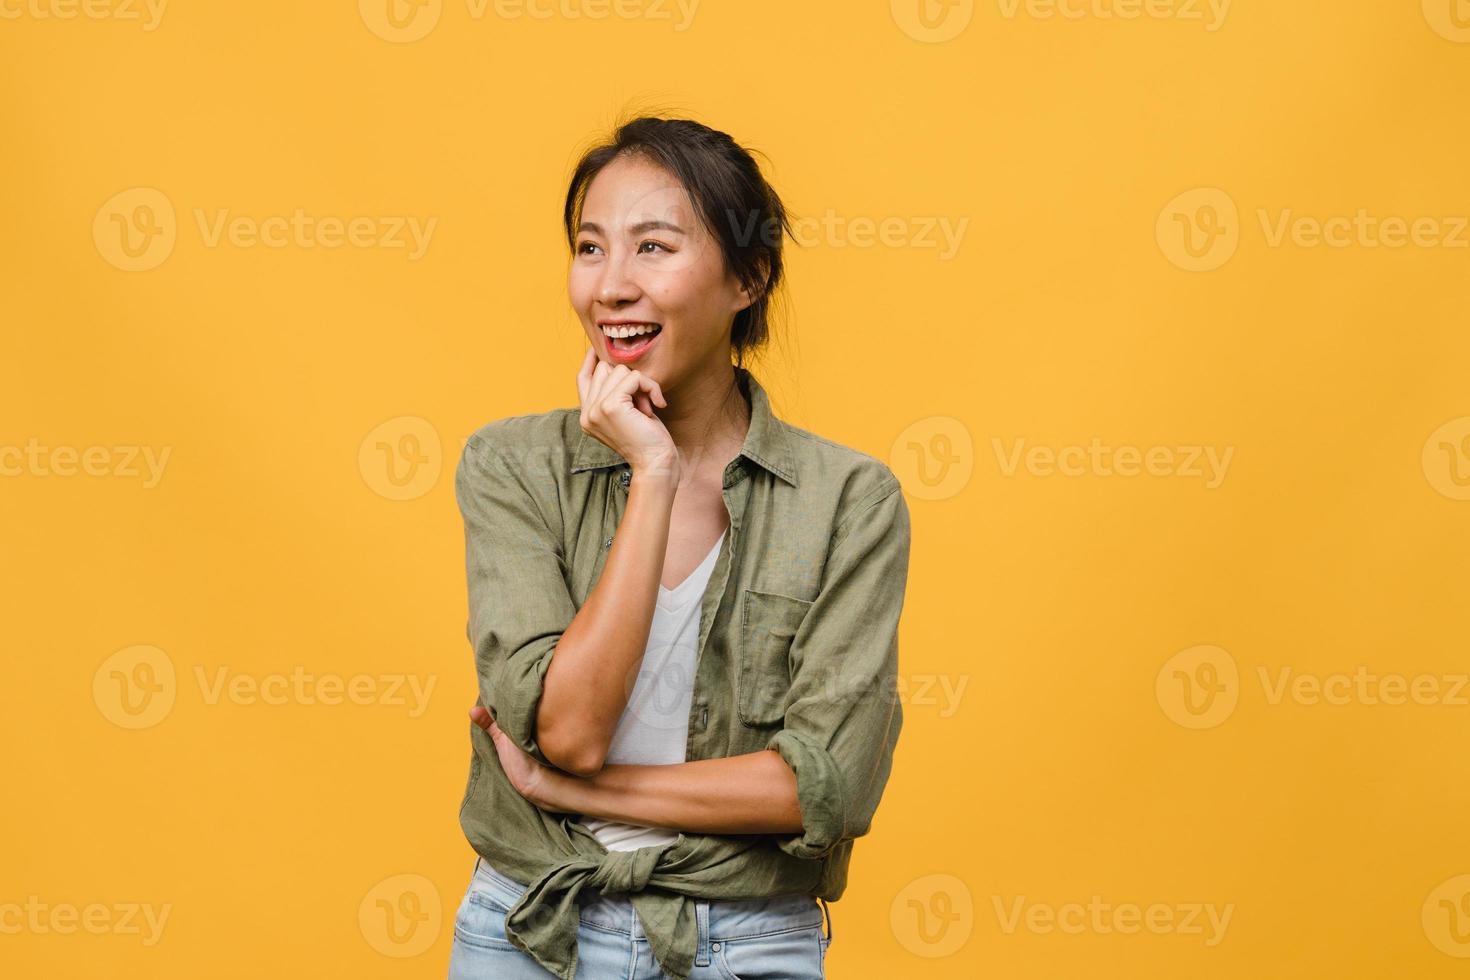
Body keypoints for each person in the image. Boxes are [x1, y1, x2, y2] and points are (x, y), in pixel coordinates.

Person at [447, 114, 912, 980]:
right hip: (530, 929)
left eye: (652, 248)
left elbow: (827, 787)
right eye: (590, 248)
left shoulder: (849, 501)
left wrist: (569, 794)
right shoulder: (511, 466)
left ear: (749, 277)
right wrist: (652, 475)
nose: (610, 287)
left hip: (748, 939)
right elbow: (571, 731)